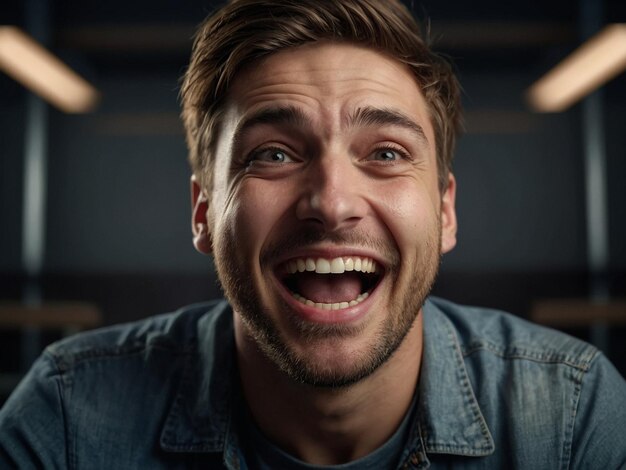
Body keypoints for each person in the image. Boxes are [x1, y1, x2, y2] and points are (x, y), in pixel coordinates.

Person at [1, 0, 625, 468]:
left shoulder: (574, 417)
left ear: (444, 213)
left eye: (384, 152)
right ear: (203, 211)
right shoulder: (66, 419)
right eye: (272, 154)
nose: (331, 203)